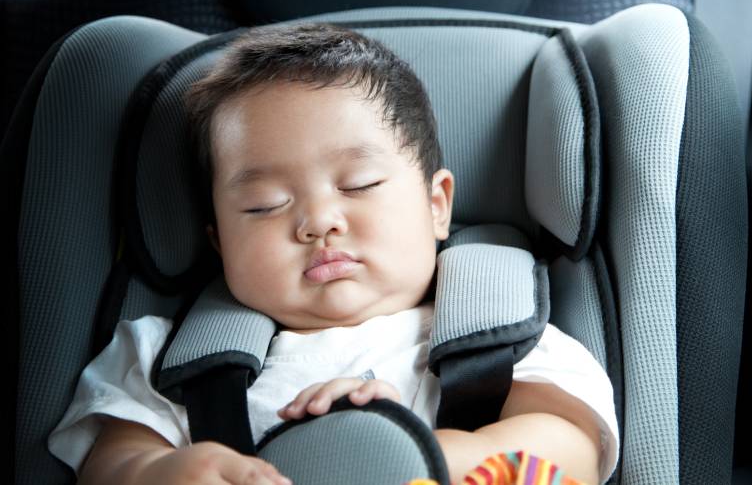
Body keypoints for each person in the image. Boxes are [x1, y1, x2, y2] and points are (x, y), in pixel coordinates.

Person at [48, 24, 618, 485]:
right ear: (220, 239)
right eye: (264, 205)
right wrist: (161, 471)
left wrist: (414, 454)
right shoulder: (168, 359)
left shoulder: (506, 342)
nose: (319, 221)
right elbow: (109, 462)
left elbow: (569, 449)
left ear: (436, 204)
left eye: (360, 184)